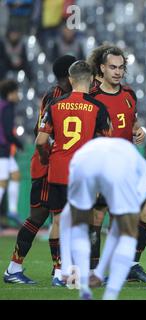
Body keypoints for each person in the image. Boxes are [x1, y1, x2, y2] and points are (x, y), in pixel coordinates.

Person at [36, 60, 111, 287]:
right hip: (83, 173)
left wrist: (46, 157)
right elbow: (106, 144)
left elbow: (40, 141)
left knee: (58, 220)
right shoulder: (98, 107)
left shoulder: (55, 104)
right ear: (91, 80)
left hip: (58, 169)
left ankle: (59, 272)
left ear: (70, 79)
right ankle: (78, 272)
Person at [3, 55, 76, 286]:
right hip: (49, 166)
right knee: (46, 217)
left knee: (46, 217)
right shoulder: (57, 97)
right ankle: (56, 272)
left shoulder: (55, 95)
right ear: (69, 75)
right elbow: (41, 132)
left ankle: (16, 268)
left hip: (52, 164)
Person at [88, 46, 146, 284]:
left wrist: (139, 131)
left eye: (121, 68)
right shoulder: (92, 98)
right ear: (102, 68)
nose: (117, 72)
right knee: (98, 218)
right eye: (112, 67)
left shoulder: (129, 94)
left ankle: (130, 264)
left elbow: (133, 122)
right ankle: (94, 272)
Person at [65, 137, 146, 300]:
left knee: (77, 223)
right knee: (128, 231)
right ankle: (110, 294)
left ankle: (83, 285)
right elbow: (119, 230)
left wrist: (66, 267)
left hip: (82, 162)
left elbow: (66, 219)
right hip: (115, 168)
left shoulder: (85, 153)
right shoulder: (135, 167)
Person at [0, 80, 23, 227]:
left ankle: (13, 211)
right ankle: (12, 210)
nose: (18, 95)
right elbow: (8, 132)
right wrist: (19, 143)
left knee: (15, 175)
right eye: (16, 92)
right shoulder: (7, 107)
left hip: (3, 148)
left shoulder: (2, 105)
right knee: (2, 183)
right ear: (10, 94)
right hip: (2, 148)